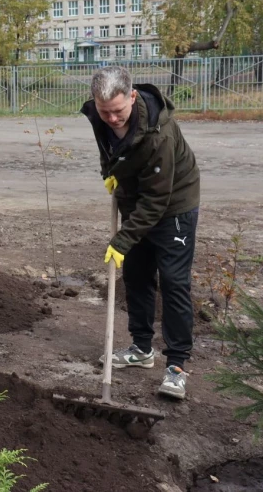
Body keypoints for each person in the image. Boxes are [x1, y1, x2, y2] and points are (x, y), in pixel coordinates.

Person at [82, 66, 200, 400]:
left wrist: (121, 239)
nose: (112, 118)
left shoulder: (159, 133)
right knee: (136, 275)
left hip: (174, 203)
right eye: (105, 112)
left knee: (174, 282)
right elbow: (109, 147)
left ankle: (176, 366)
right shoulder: (99, 114)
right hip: (136, 199)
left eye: (118, 111)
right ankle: (141, 348)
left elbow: (157, 200)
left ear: (132, 97)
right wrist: (110, 172)